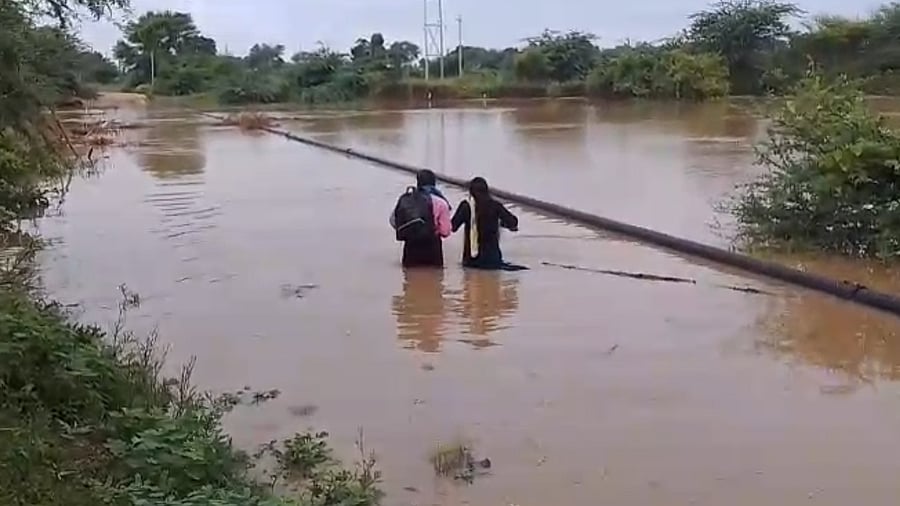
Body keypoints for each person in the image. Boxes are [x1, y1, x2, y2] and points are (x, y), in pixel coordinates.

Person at [451, 177, 527, 271]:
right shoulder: (495, 205)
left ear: (471, 192)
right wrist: (502, 223)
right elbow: (513, 222)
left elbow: (453, 227)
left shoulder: (466, 206)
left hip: (471, 261)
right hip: (492, 260)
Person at [390, 169, 452, 268]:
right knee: (435, 280)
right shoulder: (441, 203)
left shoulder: (407, 200)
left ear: (418, 182)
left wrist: (411, 228)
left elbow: (394, 221)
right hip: (432, 249)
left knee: (410, 280)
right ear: (434, 183)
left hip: (411, 248)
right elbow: (445, 232)